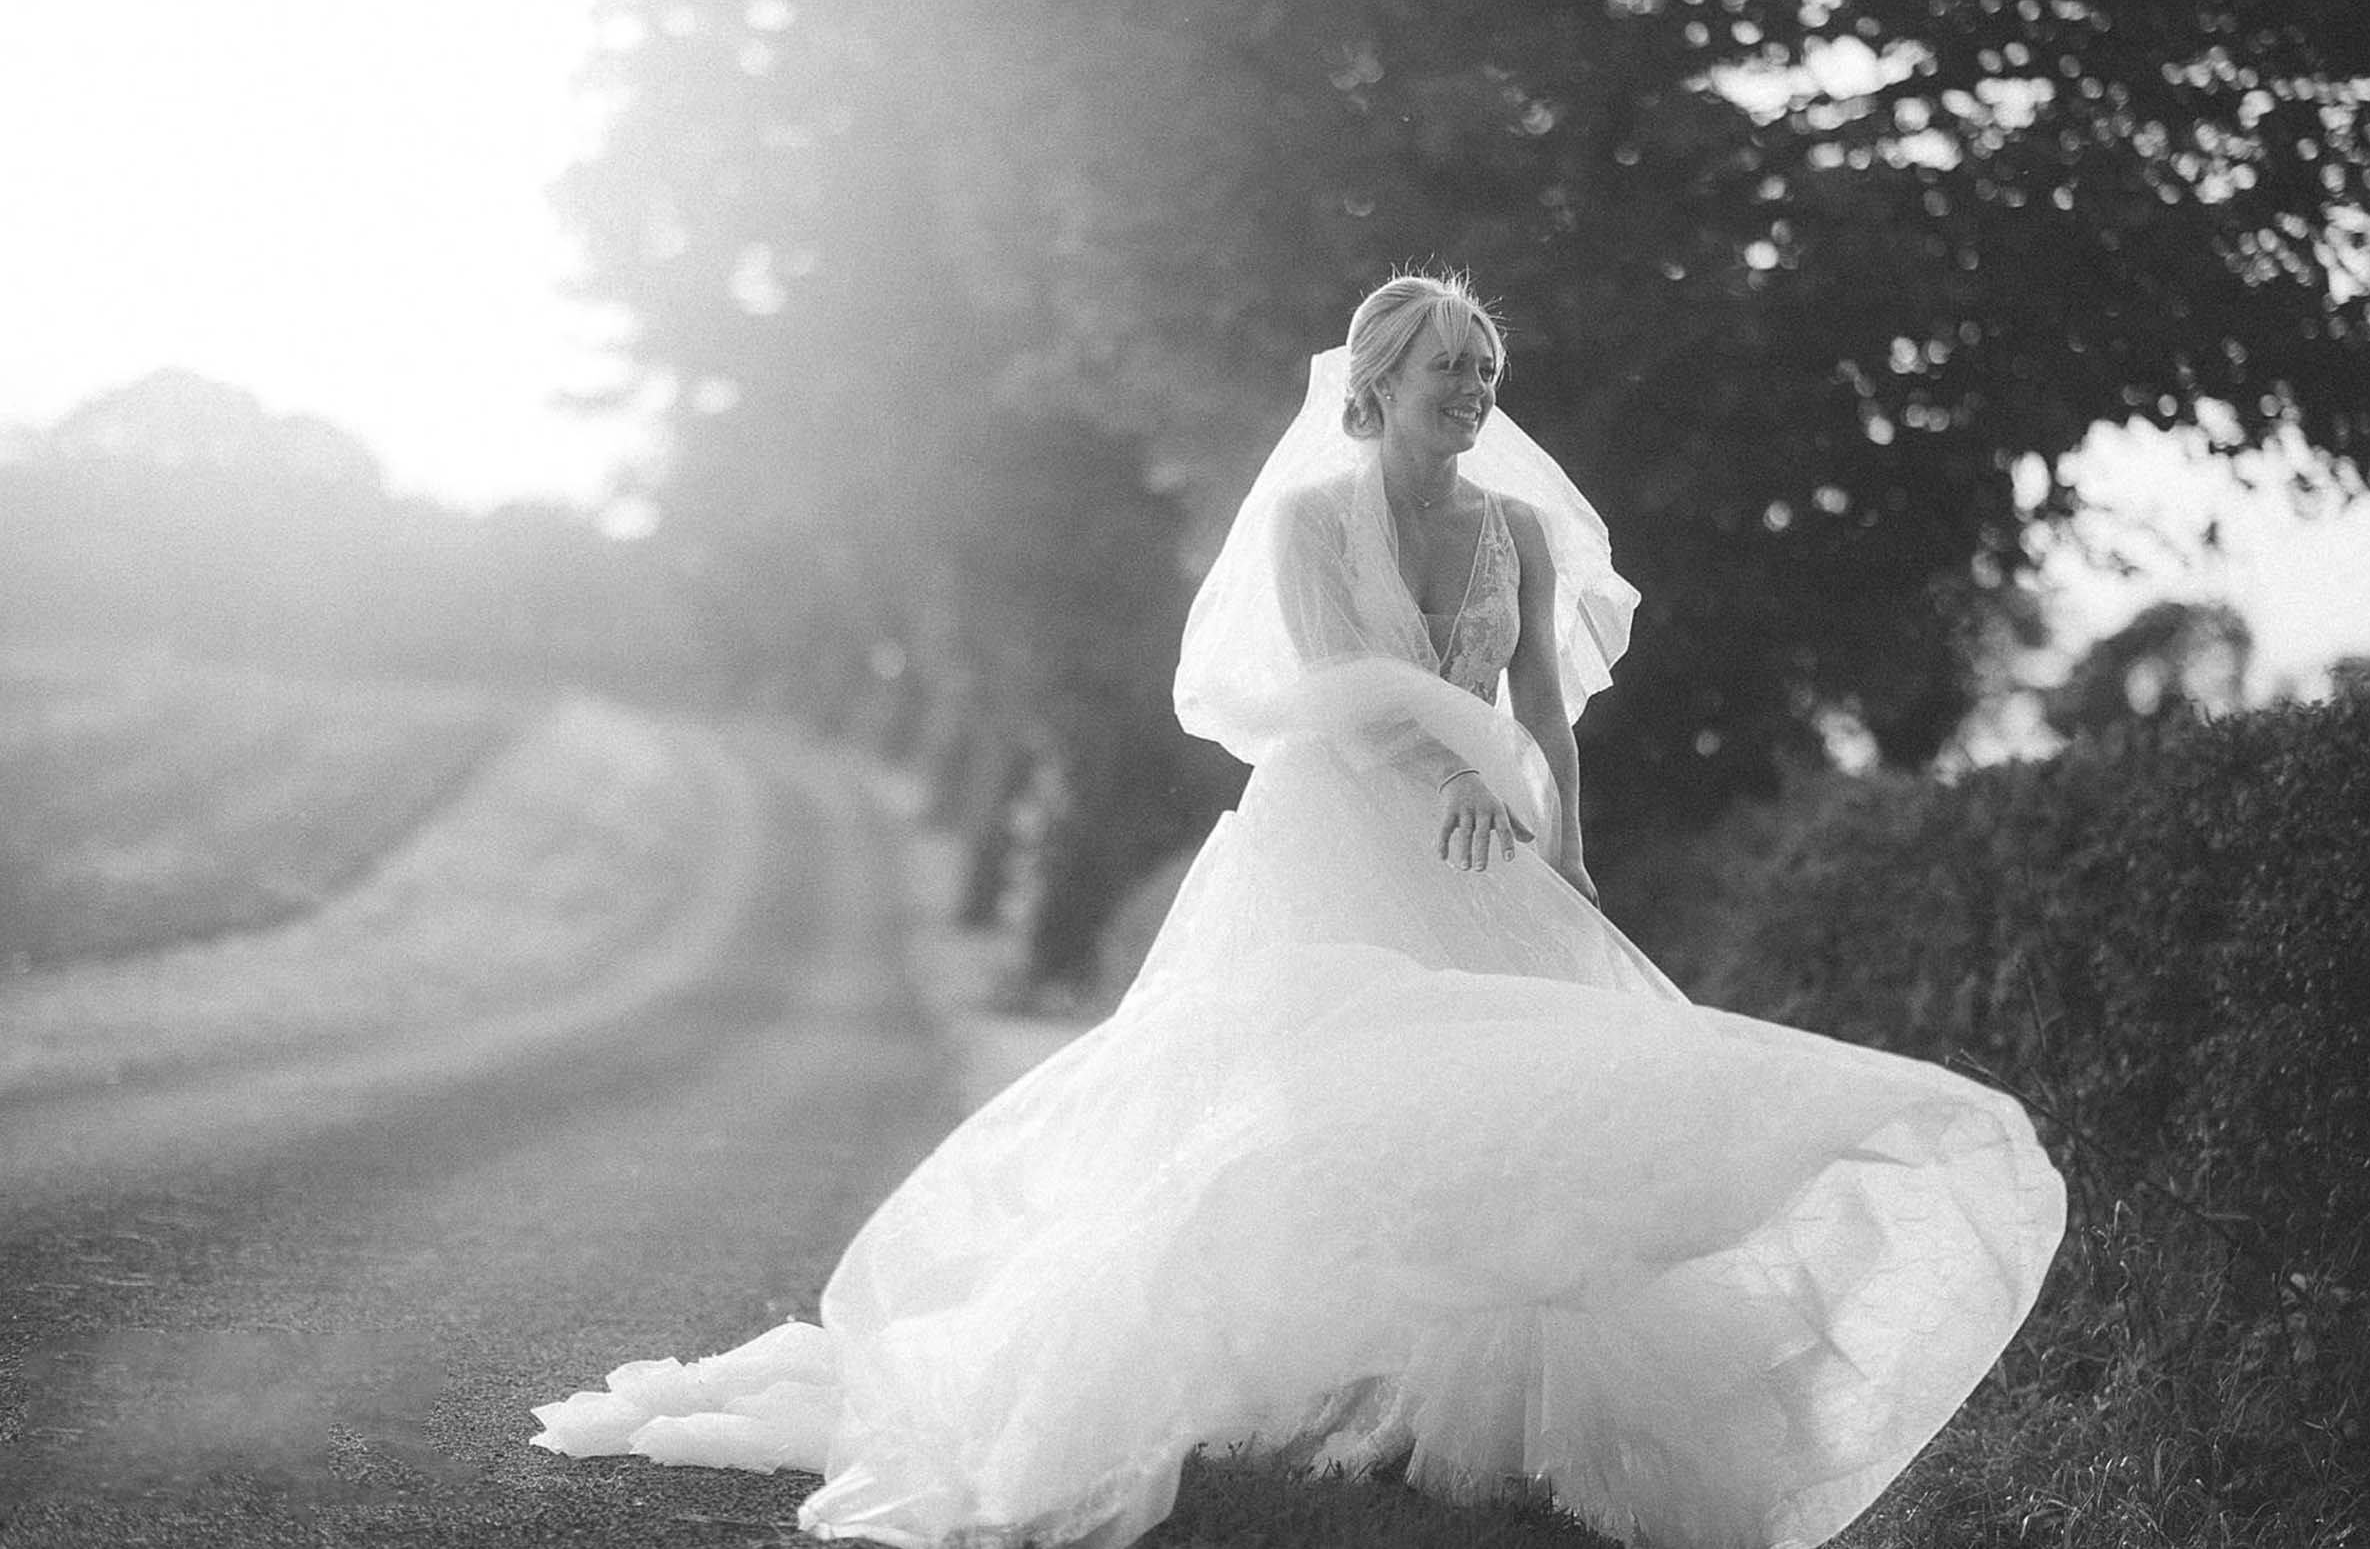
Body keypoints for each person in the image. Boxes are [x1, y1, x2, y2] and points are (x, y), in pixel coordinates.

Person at [532, 275, 2066, 1549]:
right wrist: (1469, 758)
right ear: (1380, 381)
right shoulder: (1309, 525)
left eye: (1489, 366)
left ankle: (1461, 1411)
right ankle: (1251, 1369)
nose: (1475, 387)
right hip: (1338, 830)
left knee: (1515, 1100)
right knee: (1316, 1096)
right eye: (1451, 367)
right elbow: (1341, 692)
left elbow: (1549, 709)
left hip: (1489, 840)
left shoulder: (1517, 535)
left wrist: (1556, 828)